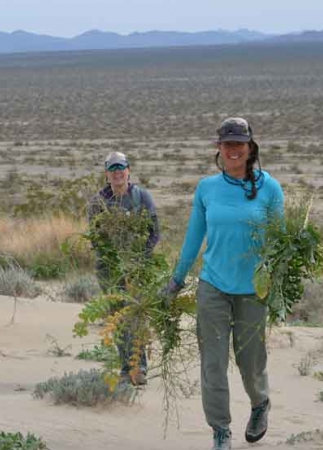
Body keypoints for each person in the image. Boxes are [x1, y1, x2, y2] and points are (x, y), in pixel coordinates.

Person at [163, 117, 284, 450]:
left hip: (253, 290)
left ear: (250, 147)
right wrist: (176, 280)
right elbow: (193, 237)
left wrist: (279, 285)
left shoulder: (270, 188)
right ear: (219, 148)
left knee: (250, 361)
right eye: (227, 144)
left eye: (239, 144)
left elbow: (281, 242)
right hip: (213, 286)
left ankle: (260, 404)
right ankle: (220, 430)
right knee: (213, 363)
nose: (233, 150)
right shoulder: (207, 188)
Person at [87, 151, 161, 386]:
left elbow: (154, 231)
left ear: (129, 170)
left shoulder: (142, 197)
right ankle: (124, 368)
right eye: (112, 168)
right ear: (107, 173)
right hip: (110, 270)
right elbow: (96, 238)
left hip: (138, 268)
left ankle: (139, 368)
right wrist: (114, 258)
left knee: (136, 316)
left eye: (121, 167)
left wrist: (140, 258)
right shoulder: (98, 202)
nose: (117, 172)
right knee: (117, 317)